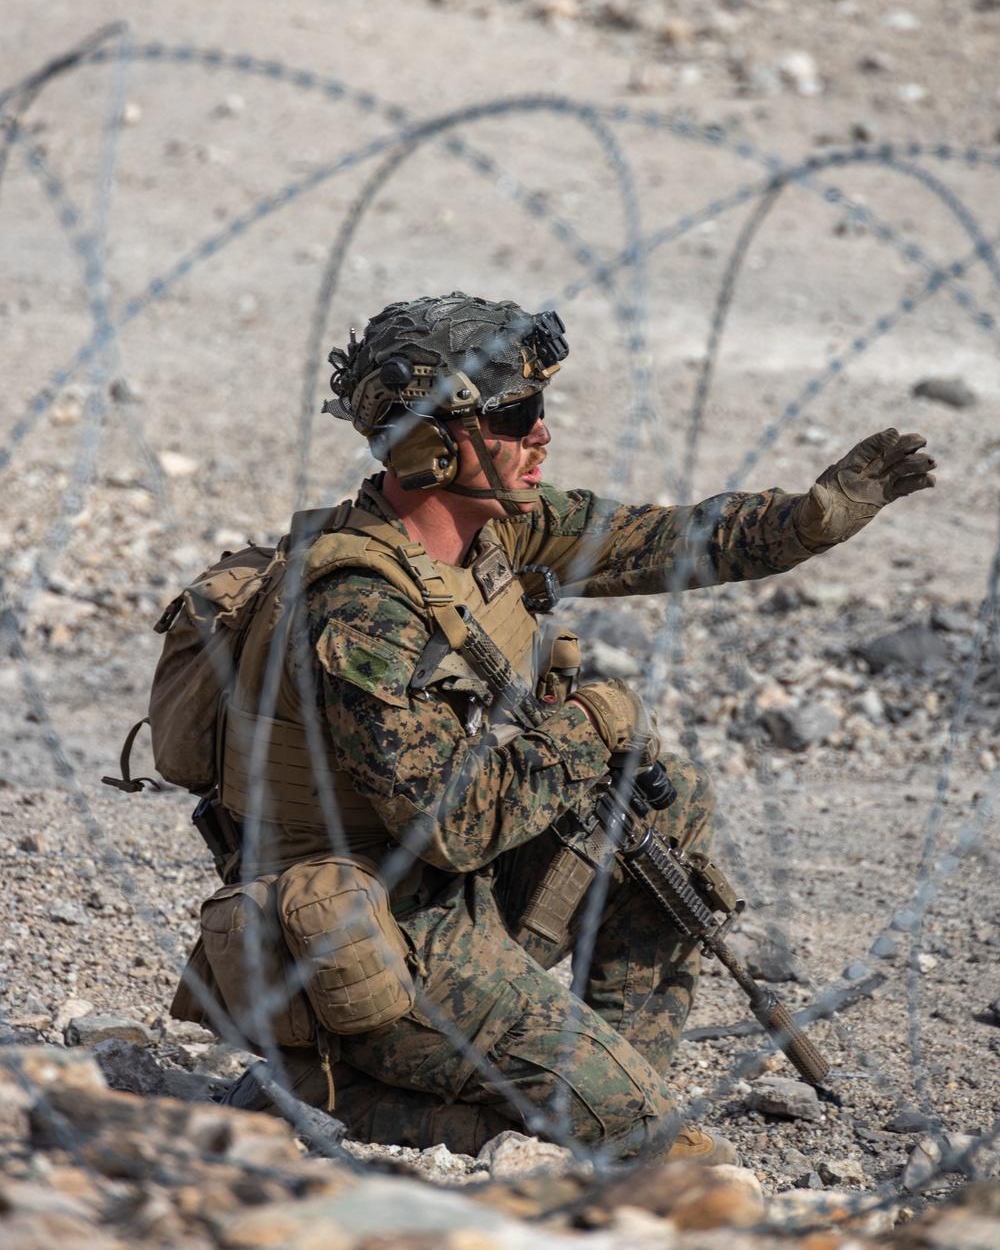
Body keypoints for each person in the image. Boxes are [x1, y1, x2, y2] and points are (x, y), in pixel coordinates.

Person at [198, 291, 936, 1164]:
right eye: (517, 413)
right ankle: (326, 1095)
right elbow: (454, 825)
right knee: (655, 1147)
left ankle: (605, 1078)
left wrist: (808, 524)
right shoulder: (361, 608)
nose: (542, 433)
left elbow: (658, 539)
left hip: (443, 901)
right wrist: (592, 723)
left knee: (665, 810)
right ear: (431, 441)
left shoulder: (495, 537)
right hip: (360, 942)